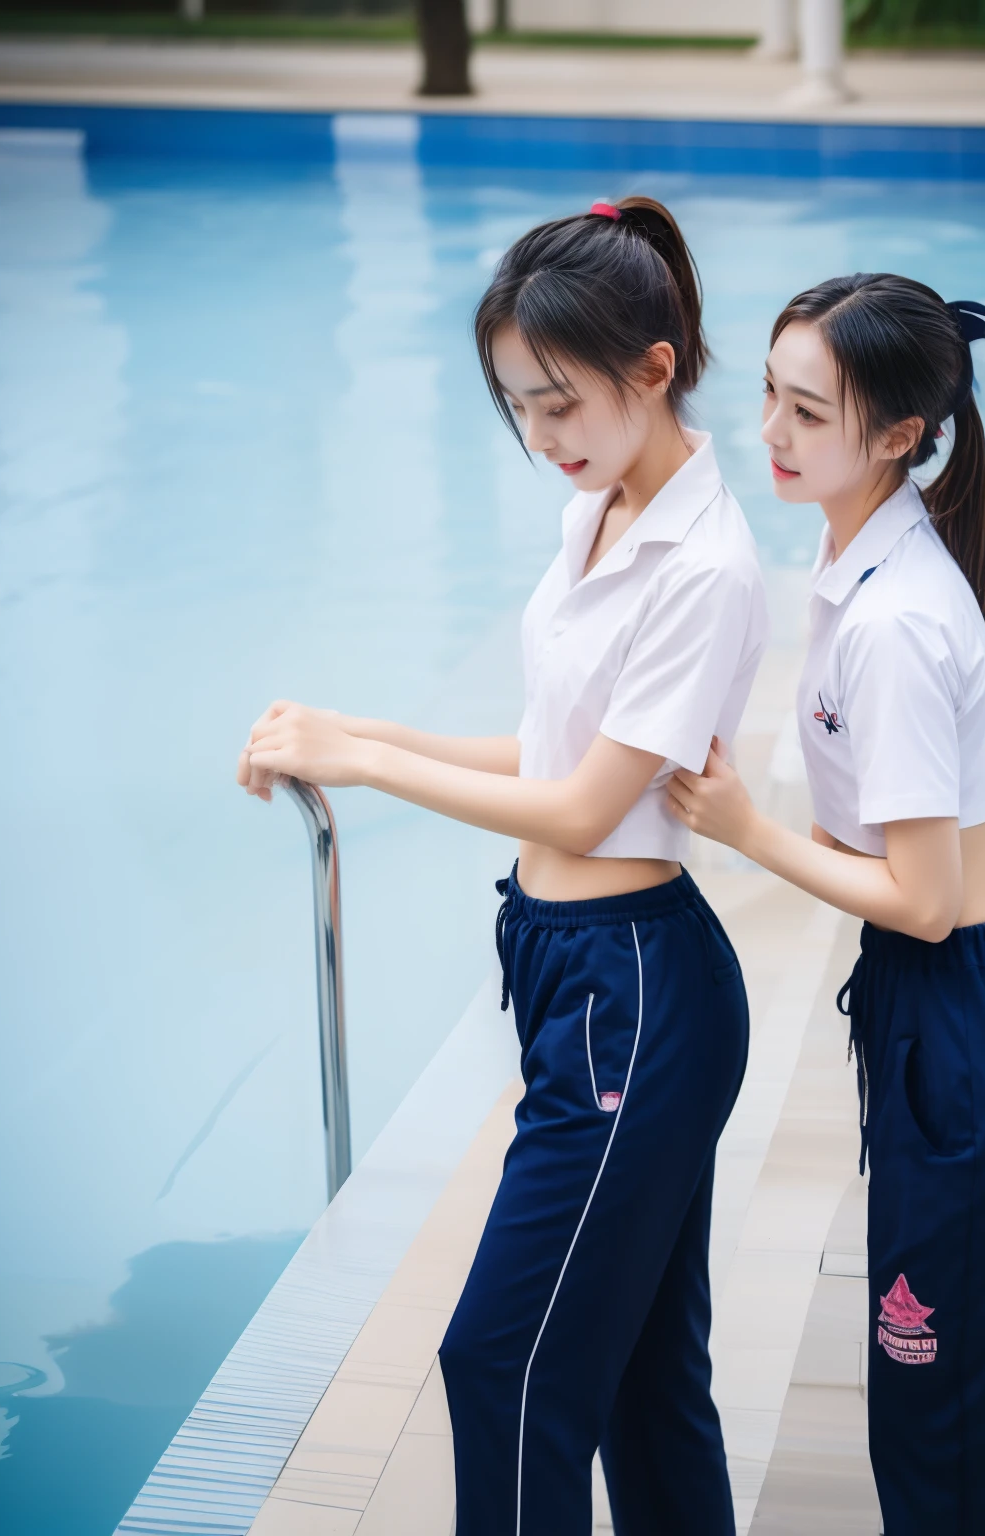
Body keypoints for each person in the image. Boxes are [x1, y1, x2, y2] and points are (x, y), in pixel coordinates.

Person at [237, 196, 768, 1536]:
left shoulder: (699, 565)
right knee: (649, 1381)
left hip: (633, 994)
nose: (539, 440)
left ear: (653, 370)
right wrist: (359, 728)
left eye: (558, 404)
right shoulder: (604, 512)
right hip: (578, 977)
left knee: (505, 1365)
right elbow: (547, 743)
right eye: (517, 407)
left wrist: (363, 766)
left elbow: (586, 810)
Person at [667, 273, 985, 1535]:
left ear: (899, 436)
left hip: (974, 1033)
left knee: (945, 1445)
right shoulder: (876, 554)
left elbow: (919, 902)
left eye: (807, 412)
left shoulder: (895, 622)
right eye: (768, 392)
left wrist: (746, 829)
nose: (768, 430)